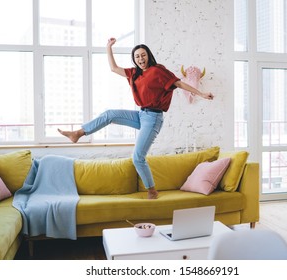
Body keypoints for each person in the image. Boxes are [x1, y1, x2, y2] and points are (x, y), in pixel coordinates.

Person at [58, 38, 214, 199]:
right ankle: (78, 133)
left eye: (143, 55)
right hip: (141, 114)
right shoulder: (134, 74)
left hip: (153, 118)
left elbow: (180, 84)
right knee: (110, 114)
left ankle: (152, 190)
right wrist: (108, 47)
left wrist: (201, 94)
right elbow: (113, 68)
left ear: (149, 56)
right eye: (137, 56)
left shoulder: (158, 71)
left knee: (137, 157)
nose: (141, 59)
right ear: (134, 59)